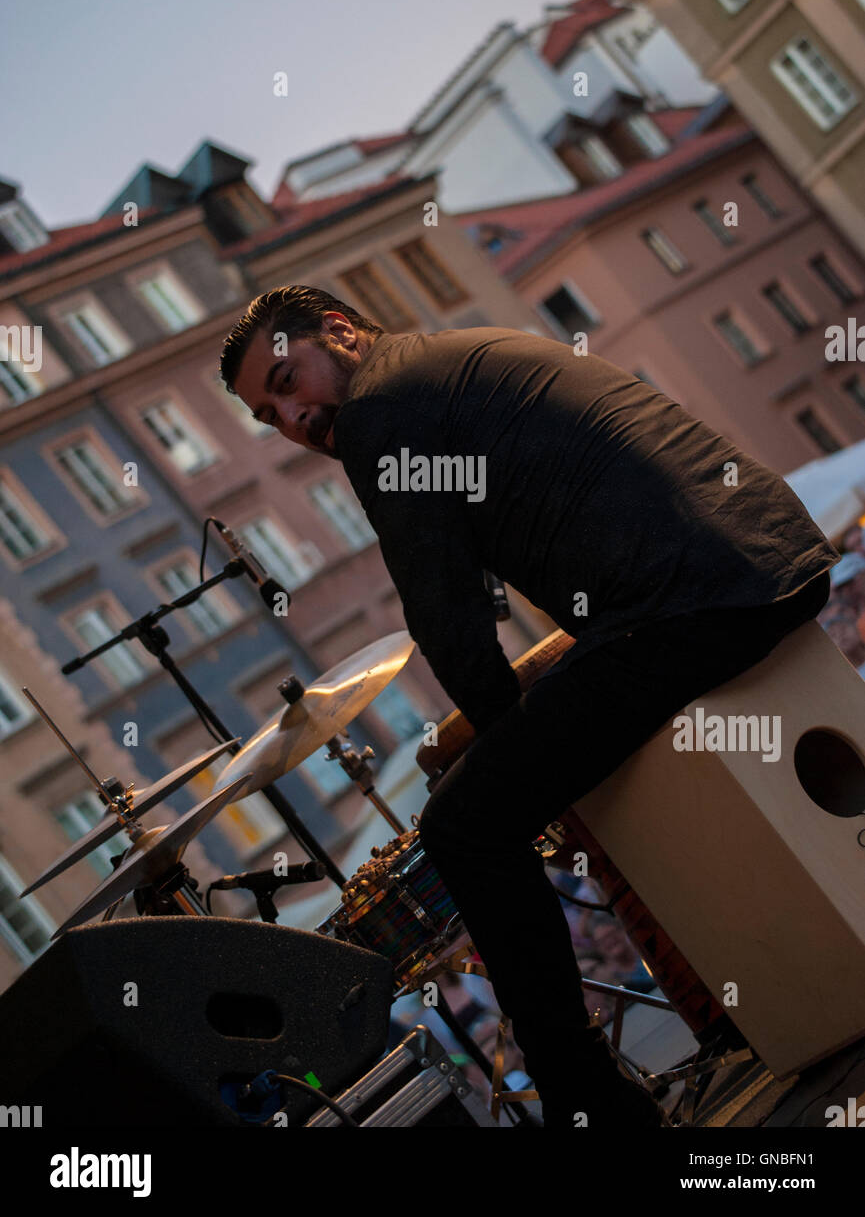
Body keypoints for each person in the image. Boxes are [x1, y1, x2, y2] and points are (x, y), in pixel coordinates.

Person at [219, 284, 840, 1129]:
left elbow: (446, 613)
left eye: (288, 381)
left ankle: (588, 1106)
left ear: (339, 333)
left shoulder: (379, 410)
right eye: (268, 414)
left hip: (699, 600)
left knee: (464, 826)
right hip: (768, 553)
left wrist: (500, 744)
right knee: (525, 765)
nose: (291, 419)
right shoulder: (454, 356)